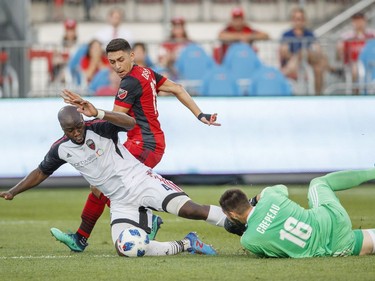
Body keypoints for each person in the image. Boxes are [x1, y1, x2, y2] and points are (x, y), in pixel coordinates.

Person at [51, 38, 221, 252]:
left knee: (107, 186)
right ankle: (86, 236)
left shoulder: (129, 83)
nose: (117, 66)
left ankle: (130, 224)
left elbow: (114, 119)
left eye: (121, 59)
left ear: (132, 56)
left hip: (144, 143)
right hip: (147, 141)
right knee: (103, 186)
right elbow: (177, 88)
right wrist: (200, 114)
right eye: (112, 62)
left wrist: (90, 111)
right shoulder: (146, 73)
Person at [0, 103, 220, 256]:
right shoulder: (60, 149)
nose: (77, 133)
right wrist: (13, 191)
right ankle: (186, 243)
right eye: (70, 130)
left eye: (79, 126)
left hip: (140, 181)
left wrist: (100, 112)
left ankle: (240, 221)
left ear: (83, 120)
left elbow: (129, 123)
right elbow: (40, 172)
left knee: (192, 210)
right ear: (62, 129)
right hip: (120, 202)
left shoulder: (99, 127)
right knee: (126, 249)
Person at [219, 169, 375, 258]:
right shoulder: (270, 196)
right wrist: (256, 199)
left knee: (353, 244)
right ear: (246, 200)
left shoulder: (249, 240)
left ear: (232, 214)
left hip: (336, 248)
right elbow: (282, 188)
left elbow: (275, 253)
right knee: (318, 183)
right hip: (332, 219)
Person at [279, 7, 331, 95]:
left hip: (307, 62)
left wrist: (303, 54)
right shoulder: (287, 34)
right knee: (303, 53)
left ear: (304, 20)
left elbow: (318, 51)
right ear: (293, 20)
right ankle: (331, 68)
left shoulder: (309, 34)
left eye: (301, 19)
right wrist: (297, 57)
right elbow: (284, 52)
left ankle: (318, 95)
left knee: (316, 64)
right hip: (294, 64)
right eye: (296, 19)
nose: (298, 21)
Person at [336, 12, 375, 87]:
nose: (359, 23)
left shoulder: (372, 34)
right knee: (355, 69)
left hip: (371, 62)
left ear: (365, 21)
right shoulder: (346, 36)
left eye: (360, 20)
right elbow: (339, 55)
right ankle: (356, 94)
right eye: (356, 21)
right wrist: (340, 50)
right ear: (352, 22)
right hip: (353, 63)